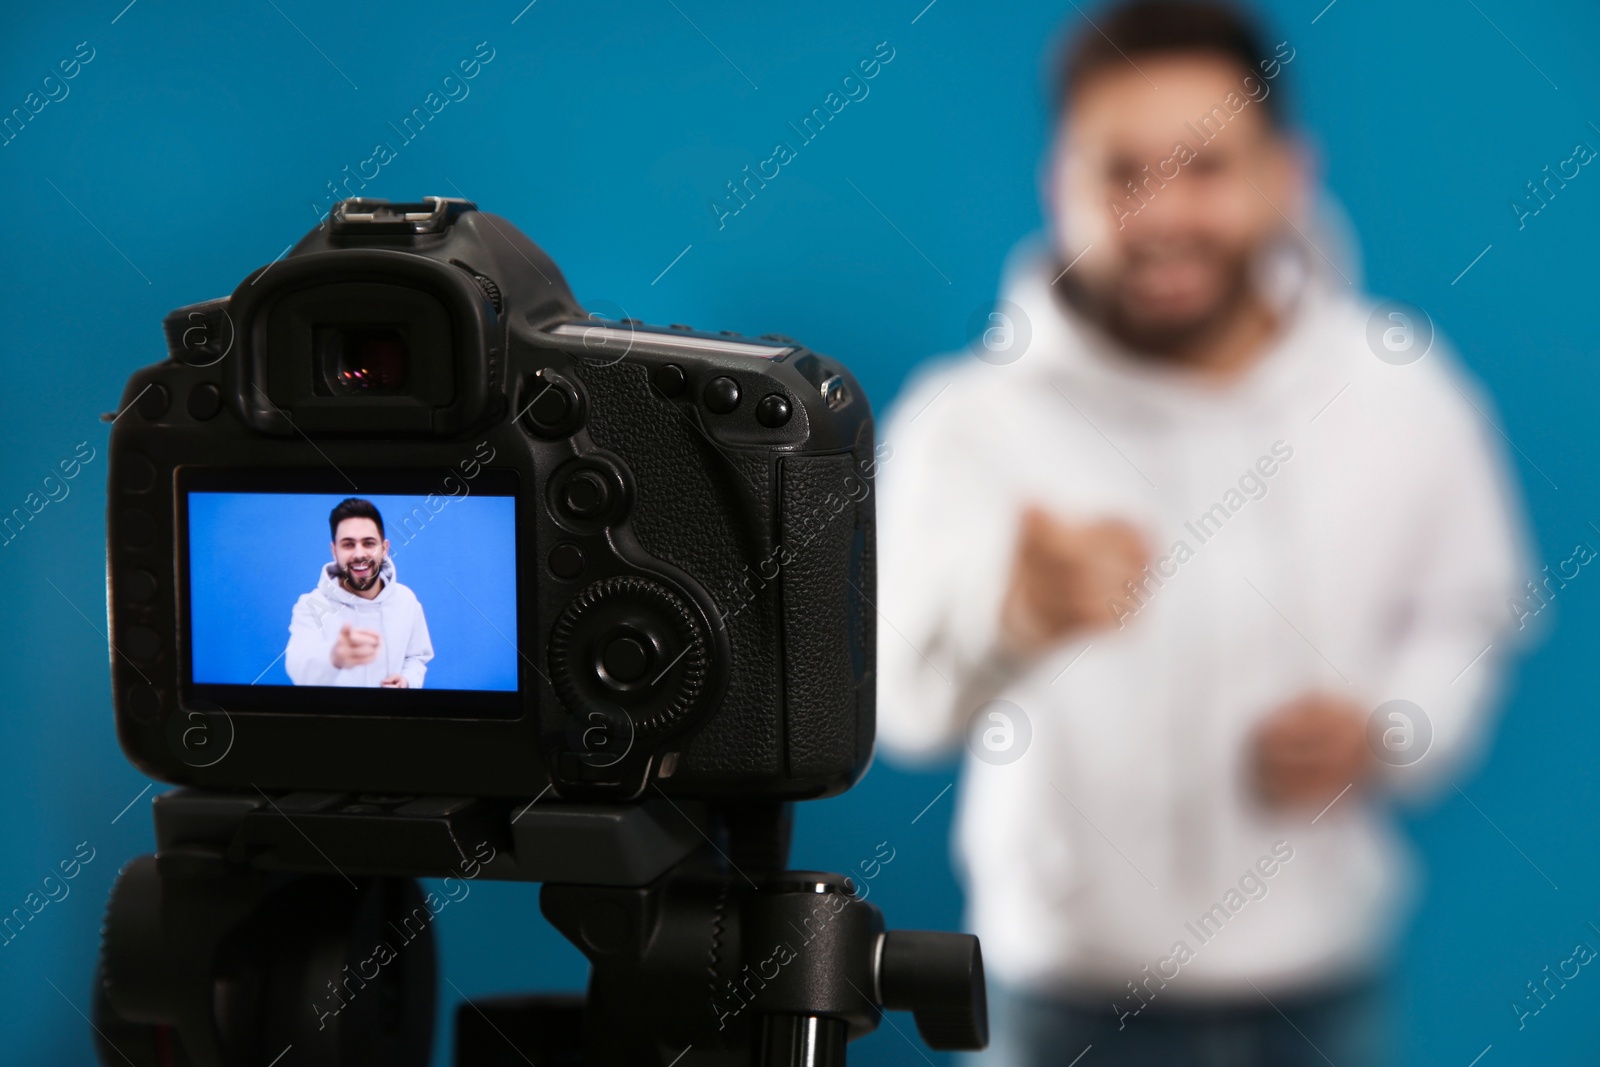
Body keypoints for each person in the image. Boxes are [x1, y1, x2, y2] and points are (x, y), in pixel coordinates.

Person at [874, 3, 1528, 1065]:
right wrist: (1009, 616)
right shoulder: (963, 421)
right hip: (1050, 1010)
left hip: (1322, 1001)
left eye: (1205, 167)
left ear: (1287, 173)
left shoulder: (1406, 390)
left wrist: (1388, 729)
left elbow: (1466, 621)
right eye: (1119, 170)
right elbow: (897, 708)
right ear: (1056, 185)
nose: (1162, 213)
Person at [285, 497, 434, 688]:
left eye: (369, 543)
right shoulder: (312, 605)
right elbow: (298, 670)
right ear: (334, 551)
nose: (359, 554)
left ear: (384, 549)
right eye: (348, 544)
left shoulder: (406, 600)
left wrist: (406, 681)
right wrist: (335, 657)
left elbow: (416, 658)